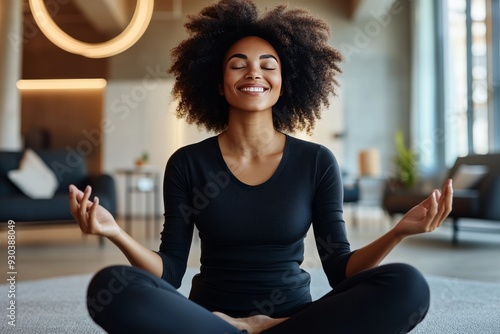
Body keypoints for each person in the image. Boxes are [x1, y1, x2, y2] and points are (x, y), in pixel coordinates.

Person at [69, 1, 453, 333]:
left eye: (267, 66)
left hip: (295, 318)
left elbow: (340, 269)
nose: (254, 73)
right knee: (112, 286)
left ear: (284, 84)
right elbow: (169, 273)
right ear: (219, 84)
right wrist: (115, 232)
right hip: (211, 316)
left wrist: (398, 232)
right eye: (238, 65)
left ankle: (273, 330)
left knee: (407, 285)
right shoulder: (188, 163)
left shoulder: (316, 162)